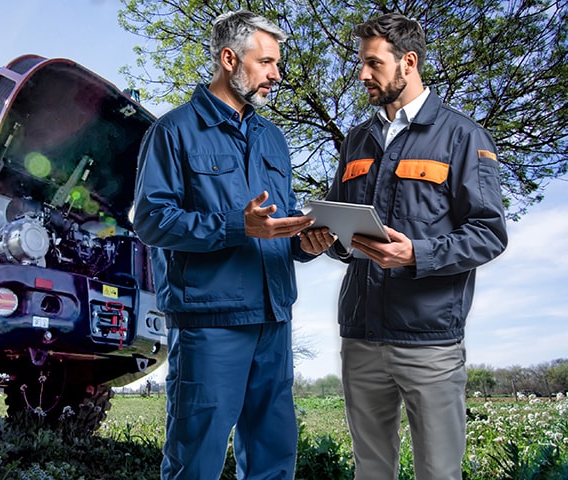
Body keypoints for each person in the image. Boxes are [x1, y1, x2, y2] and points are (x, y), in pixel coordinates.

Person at [300, 12, 509, 480]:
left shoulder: (462, 136)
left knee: (438, 472)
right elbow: (343, 230)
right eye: (361, 63)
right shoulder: (357, 140)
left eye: (373, 64)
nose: (362, 75)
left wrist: (416, 253)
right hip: (361, 335)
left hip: (429, 341)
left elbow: (489, 233)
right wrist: (321, 240)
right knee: (371, 471)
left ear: (408, 62)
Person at [133, 10, 333, 480]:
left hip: (274, 319)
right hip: (210, 325)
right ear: (229, 59)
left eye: (276, 64)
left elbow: (275, 225)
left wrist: (307, 243)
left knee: (273, 460)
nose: (276, 75)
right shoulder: (173, 132)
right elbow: (151, 221)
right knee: (195, 462)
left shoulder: (273, 140)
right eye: (266, 63)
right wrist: (235, 227)